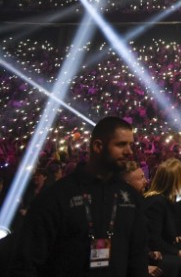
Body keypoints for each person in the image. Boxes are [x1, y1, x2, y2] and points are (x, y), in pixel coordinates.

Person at [12, 116, 148, 277]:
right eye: (121, 145)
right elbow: (27, 262)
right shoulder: (57, 197)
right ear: (98, 146)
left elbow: (138, 257)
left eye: (131, 145)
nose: (129, 152)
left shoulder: (131, 197)